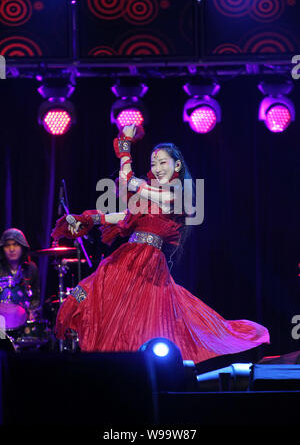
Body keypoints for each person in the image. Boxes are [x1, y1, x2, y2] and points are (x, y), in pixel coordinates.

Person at [52, 124, 269, 363]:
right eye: (154, 164)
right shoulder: (149, 192)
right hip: (127, 257)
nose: (157, 168)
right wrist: (87, 218)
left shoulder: (182, 193)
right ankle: (109, 370)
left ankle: (136, 374)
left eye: (163, 162)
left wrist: (127, 156)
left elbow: (164, 201)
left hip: (148, 265)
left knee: (136, 326)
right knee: (92, 300)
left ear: (177, 165)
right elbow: (125, 215)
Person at [0, 228, 41, 324]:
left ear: (23, 247)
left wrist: (32, 311)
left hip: (23, 318)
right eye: (7, 245)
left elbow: (36, 296)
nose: (11, 249)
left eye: (15, 244)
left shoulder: (31, 268)